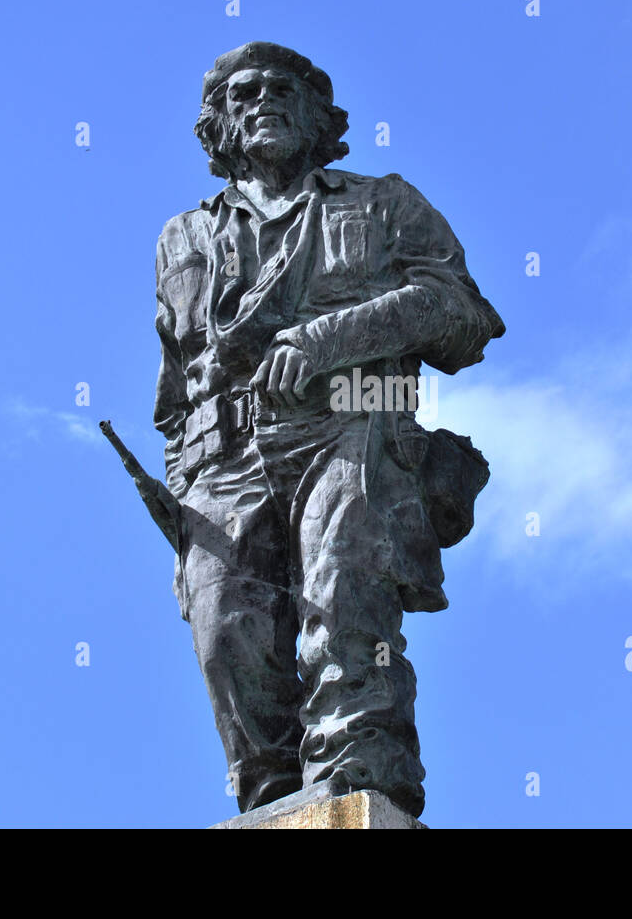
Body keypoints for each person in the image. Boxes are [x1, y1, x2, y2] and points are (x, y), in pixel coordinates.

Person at [153, 41, 504, 817]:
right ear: (218, 126)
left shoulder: (381, 204)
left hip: (351, 425)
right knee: (225, 636)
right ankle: (273, 800)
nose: (264, 102)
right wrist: (180, 486)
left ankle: (357, 784)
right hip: (225, 461)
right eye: (243, 94)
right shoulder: (182, 239)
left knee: (345, 597)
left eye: (284, 89)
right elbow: (177, 389)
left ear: (321, 118)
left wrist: (326, 341)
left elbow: (463, 318)